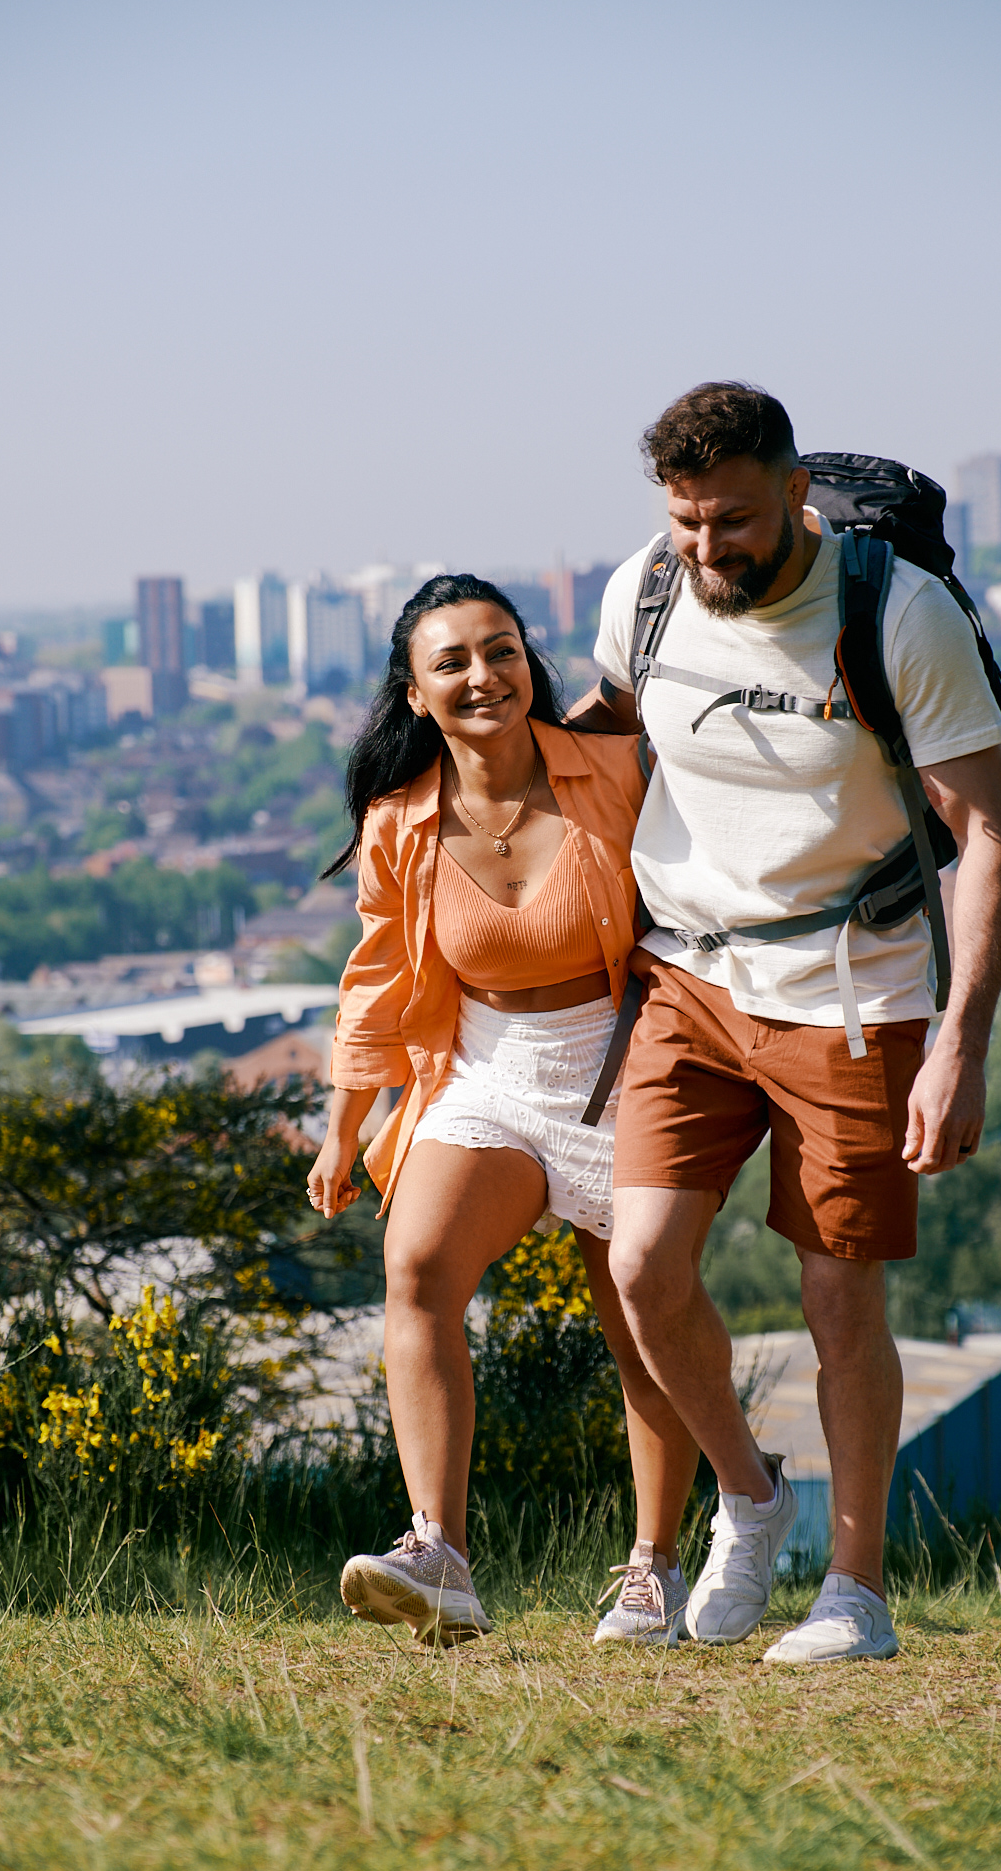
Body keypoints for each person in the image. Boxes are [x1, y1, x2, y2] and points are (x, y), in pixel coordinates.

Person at [572, 382, 1001, 1663]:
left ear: (794, 494)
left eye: (730, 521)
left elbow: (989, 831)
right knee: (643, 1267)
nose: (706, 552)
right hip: (686, 975)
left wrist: (962, 1041)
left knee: (839, 1301)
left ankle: (855, 1592)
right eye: (683, 524)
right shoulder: (644, 593)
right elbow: (604, 738)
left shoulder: (896, 611)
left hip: (854, 988)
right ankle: (752, 1496)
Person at [306, 574, 701, 1648]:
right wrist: (346, 1120)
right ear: (417, 692)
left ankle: (653, 1564)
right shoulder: (401, 819)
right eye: (454, 662)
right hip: (483, 1071)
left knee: (640, 1322)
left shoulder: (613, 770)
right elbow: (379, 974)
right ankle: (438, 1551)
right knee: (418, 1264)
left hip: (625, 1062)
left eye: (502, 650)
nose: (483, 676)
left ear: (530, 662)